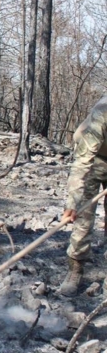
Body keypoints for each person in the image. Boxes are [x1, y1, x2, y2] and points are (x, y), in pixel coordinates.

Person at [59, 97, 107, 296]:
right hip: (94, 156)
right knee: (83, 214)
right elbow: (82, 163)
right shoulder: (103, 113)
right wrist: (72, 203)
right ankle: (76, 267)